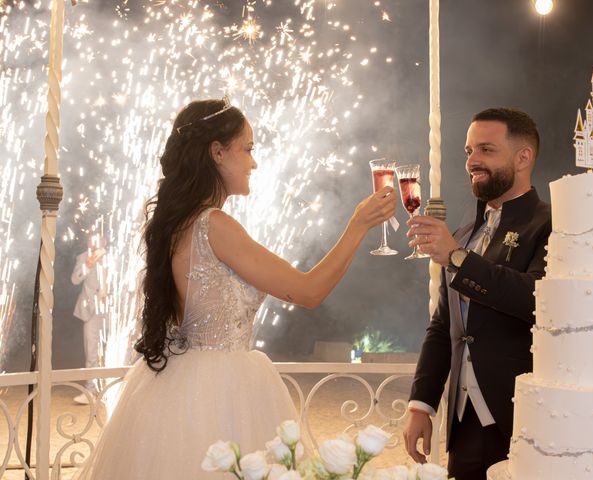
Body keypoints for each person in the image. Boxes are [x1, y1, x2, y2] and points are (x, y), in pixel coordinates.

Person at [74, 97, 396, 479]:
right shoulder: (215, 226)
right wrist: (357, 225)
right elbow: (309, 291)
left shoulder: (178, 225)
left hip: (174, 383)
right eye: (247, 149)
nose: (253, 162)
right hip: (223, 388)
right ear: (217, 153)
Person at [403, 108, 551, 480]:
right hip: (464, 421)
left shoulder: (550, 223)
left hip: (524, 419)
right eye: (469, 151)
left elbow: (539, 300)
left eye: (486, 149)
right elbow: (444, 325)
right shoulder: (466, 231)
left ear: (523, 157)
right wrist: (421, 404)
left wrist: (456, 258)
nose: (473, 162)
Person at [71, 233, 108, 405]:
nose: (93, 244)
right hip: (91, 311)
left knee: (111, 348)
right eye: (90, 240)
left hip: (110, 310)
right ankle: (90, 391)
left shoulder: (114, 257)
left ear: (104, 241)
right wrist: (88, 265)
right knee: (91, 351)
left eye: (97, 240)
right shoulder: (83, 258)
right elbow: (75, 280)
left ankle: (110, 389)